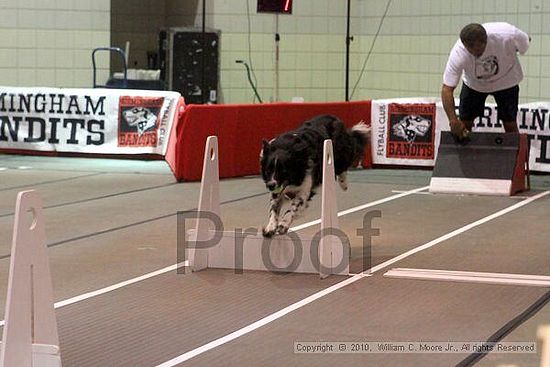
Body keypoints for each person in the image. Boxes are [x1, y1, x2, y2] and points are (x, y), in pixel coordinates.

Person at [441, 22, 530, 139]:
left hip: (506, 81)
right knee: (464, 122)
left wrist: (508, 53)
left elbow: (525, 42)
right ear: (464, 44)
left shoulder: (508, 34)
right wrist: (453, 121)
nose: (474, 52)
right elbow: (447, 89)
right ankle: (465, 154)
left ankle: (515, 155)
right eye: (470, 49)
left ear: (485, 41)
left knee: (510, 123)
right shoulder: (458, 54)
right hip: (474, 84)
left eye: (478, 49)